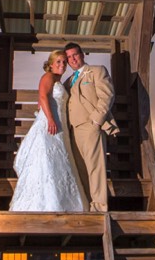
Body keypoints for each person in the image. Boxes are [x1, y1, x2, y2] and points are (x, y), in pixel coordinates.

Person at [9, 50, 85, 212]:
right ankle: (46, 204)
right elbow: (43, 97)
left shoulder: (58, 81)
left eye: (64, 62)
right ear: (50, 64)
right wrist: (50, 119)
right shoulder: (48, 77)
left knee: (59, 159)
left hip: (60, 124)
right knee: (48, 159)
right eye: (58, 62)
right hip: (51, 124)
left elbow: (45, 100)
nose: (62, 65)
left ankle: (62, 202)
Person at [63, 42, 119, 213]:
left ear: (82, 55)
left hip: (90, 126)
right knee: (81, 169)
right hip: (73, 130)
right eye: (69, 57)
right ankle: (87, 207)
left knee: (96, 167)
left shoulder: (96, 71)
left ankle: (100, 207)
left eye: (75, 55)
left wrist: (96, 121)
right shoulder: (68, 81)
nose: (72, 59)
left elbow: (107, 96)